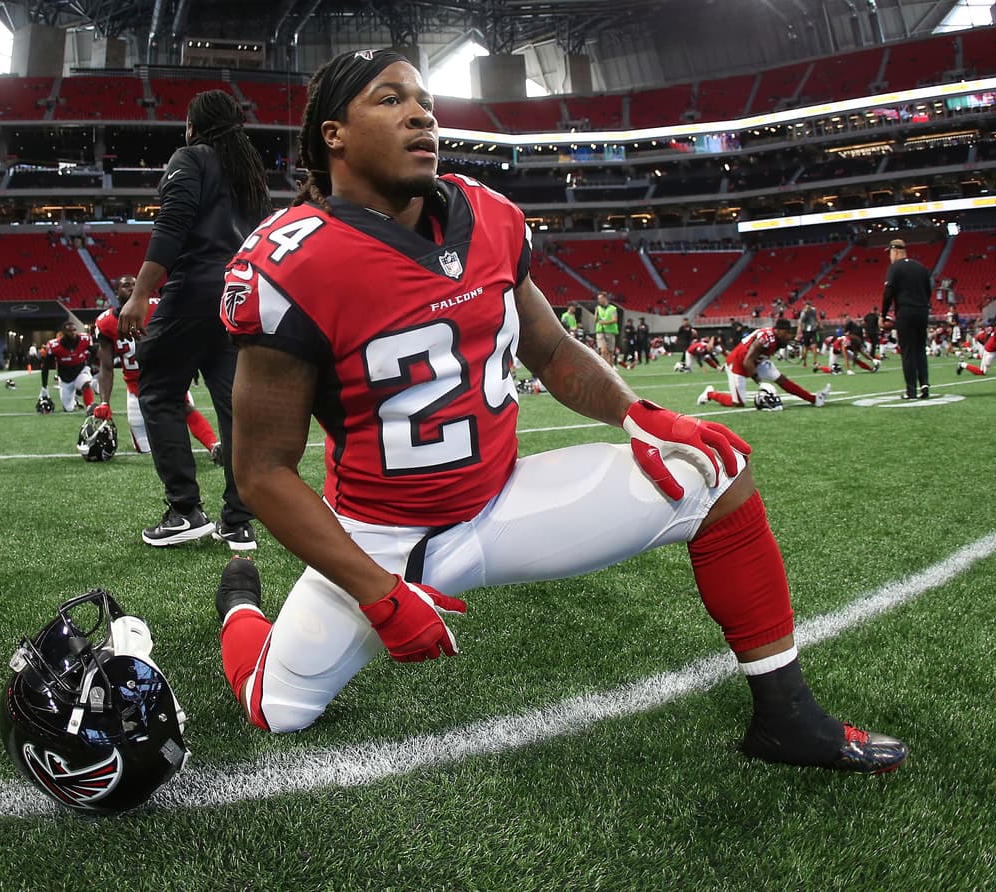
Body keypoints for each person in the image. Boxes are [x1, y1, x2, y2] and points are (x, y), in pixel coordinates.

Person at [212, 49, 906, 773]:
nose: (422, 113)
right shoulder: (288, 261)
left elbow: (548, 347)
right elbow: (261, 473)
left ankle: (787, 718)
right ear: (334, 135)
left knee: (716, 470)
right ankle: (238, 602)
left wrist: (641, 415)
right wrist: (379, 595)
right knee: (277, 710)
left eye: (425, 100)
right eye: (390, 100)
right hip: (381, 536)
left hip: (502, 498)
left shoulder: (487, 215)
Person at [118, 88, 271, 548]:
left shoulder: (191, 157)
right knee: (233, 406)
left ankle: (184, 510)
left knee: (158, 389)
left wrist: (141, 293)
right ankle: (238, 518)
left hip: (194, 290)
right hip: (239, 295)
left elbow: (172, 225)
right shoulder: (249, 172)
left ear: (196, 123)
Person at [94, 275, 232, 473]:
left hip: (166, 376)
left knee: (182, 407)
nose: (132, 288)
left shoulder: (157, 306)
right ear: (116, 293)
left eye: (135, 283)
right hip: (136, 389)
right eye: (126, 285)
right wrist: (104, 402)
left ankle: (213, 445)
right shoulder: (106, 322)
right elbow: (106, 367)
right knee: (146, 451)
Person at [698, 318, 831, 409]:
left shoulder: (776, 338)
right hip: (738, 363)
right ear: (778, 330)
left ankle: (814, 399)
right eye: (786, 333)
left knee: (781, 379)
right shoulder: (765, 338)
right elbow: (747, 360)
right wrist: (760, 383)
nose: (788, 336)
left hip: (758, 361)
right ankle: (710, 394)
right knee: (738, 403)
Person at [880, 238, 932, 400]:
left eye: (890, 253)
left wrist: (883, 315)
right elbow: (928, 290)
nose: (889, 256)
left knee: (908, 351)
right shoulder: (921, 268)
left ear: (895, 252)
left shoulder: (895, 268)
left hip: (905, 312)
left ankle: (911, 390)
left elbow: (888, 293)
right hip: (922, 311)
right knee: (920, 349)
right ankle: (924, 384)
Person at [39, 320, 95, 412]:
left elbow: (94, 351)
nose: (72, 333)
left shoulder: (84, 339)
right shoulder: (54, 345)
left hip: (80, 372)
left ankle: (90, 407)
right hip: (65, 379)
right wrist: (44, 386)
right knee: (68, 408)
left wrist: (88, 366)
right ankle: (75, 402)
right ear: (63, 333)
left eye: (74, 330)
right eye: (69, 331)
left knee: (85, 383)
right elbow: (45, 367)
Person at [593, 292, 619, 367]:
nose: (599, 300)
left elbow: (615, 320)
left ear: (605, 298)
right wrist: (596, 313)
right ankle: (603, 368)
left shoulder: (613, 308)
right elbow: (595, 320)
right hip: (600, 331)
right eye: (598, 299)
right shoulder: (598, 308)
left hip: (610, 331)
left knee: (610, 352)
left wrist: (605, 322)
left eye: (600, 298)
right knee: (603, 351)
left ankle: (610, 369)